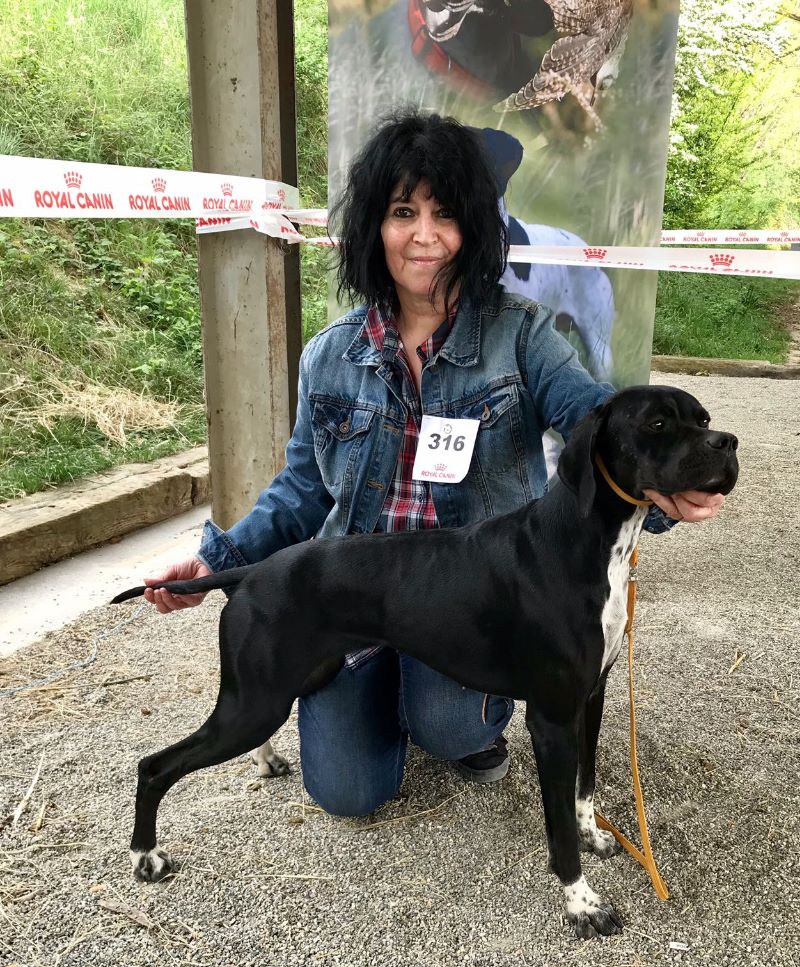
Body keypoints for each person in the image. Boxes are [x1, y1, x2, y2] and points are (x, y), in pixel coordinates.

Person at [142, 110, 724, 818]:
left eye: (445, 214)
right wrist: (215, 560)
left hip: (471, 595)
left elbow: (597, 422)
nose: (424, 236)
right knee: (347, 793)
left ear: (475, 227)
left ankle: (449, 716)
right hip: (356, 588)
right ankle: (375, 687)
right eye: (401, 212)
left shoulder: (523, 335)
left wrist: (665, 482)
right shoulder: (329, 354)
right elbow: (301, 486)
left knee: (447, 725)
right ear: (372, 228)